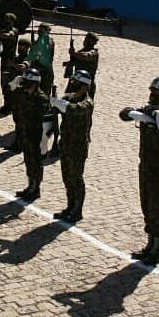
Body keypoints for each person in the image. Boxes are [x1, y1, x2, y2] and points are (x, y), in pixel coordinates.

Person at [119, 77, 159, 266]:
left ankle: (157, 248)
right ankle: (149, 244)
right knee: (146, 206)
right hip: (146, 166)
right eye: (151, 91)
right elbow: (124, 114)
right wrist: (138, 114)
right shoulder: (148, 109)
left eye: (156, 93)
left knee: (158, 208)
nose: (151, 95)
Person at [50, 69, 95, 223]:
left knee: (76, 178)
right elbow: (57, 108)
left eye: (76, 83)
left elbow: (73, 109)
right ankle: (70, 206)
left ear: (85, 86)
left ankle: (77, 209)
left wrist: (59, 103)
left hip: (78, 146)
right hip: (66, 144)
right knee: (67, 177)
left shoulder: (87, 103)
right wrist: (54, 103)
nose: (73, 84)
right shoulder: (69, 97)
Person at [16, 68, 50, 201]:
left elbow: (47, 121)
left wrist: (44, 141)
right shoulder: (25, 94)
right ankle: (30, 185)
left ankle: (36, 188)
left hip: (37, 136)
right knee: (28, 161)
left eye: (27, 82)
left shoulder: (41, 99)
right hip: (26, 133)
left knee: (36, 163)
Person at [66, 31, 99, 98]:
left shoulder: (94, 53)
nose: (84, 41)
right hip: (76, 81)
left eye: (87, 40)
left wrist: (74, 54)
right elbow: (73, 62)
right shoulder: (80, 51)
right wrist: (72, 55)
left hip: (86, 83)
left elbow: (85, 56)